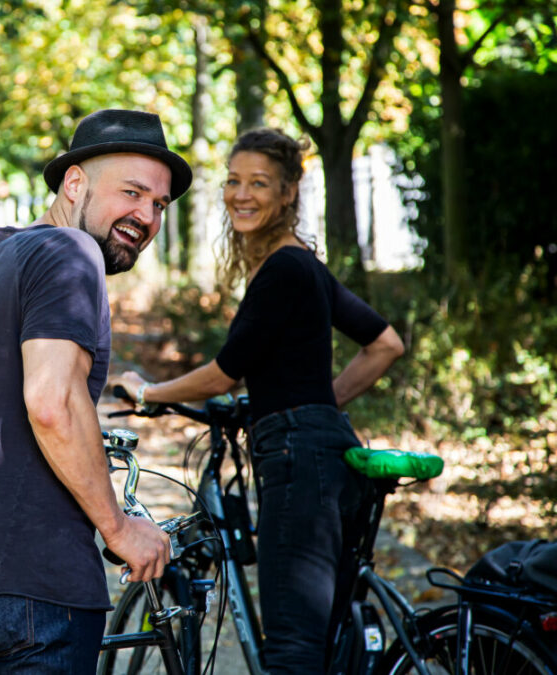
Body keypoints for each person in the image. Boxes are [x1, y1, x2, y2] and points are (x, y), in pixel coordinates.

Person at [0, 109, 188, 673]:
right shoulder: (71, 253)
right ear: (75, 183)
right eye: (133, 192)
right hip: (36, 584)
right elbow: (52, 403)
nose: (145, 216)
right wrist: (118, 528)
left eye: (159, 205)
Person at [113, 128, 406, 674]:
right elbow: (385, 345)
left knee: (292, 649)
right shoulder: (304, 265)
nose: (241, 194)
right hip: (331, 454)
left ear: (289, 192)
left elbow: (224, 374)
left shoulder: (285, 270)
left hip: (298, 462)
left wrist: (148, 392)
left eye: (259, 183)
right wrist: (318, 404)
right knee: (322, 642)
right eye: (232, 181)